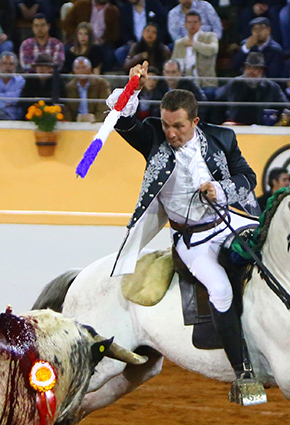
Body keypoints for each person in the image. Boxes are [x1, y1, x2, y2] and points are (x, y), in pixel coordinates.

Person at [108, 61, 261, 403]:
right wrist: (132, 86)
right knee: (220, 289)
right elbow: (120, 118)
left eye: (178, 126)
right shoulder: (152, 139)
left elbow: (248, 178)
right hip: (192, 238)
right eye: (165, 125)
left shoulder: (223, 137)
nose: (170, 133)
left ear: (195, 121)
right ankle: (244, 373)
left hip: (229, 220)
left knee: (269, 250)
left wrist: (220, 191)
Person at [217, 52, 288, 126]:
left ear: (261, 71)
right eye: (249, 67)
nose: (251, 71)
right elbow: (218, 104)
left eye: (255, 68)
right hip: (236, 126)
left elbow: (285, 107)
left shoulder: (272, 87)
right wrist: (223, 123)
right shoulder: (234, 84)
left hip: (263, 128)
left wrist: (277, 122)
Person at [169, 12, 217, 92]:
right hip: (184, 84)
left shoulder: (209, 36)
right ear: (185, 25)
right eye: (189, 22)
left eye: (195, 22)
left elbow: (213, 50)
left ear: (200, 24)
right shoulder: (179, 43)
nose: (192, 25)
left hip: (206, 83)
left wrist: (194, 44)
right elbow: (174, 63)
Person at [116, 0, 168, 68]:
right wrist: (130, 42)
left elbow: (162, 26)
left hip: (154, 43)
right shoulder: (125, 9)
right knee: (120, 52)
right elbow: (124, 31)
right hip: (133, 43)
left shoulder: (154, 5)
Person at [64, 56, 109, 121]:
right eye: (78, 68)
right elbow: (68, 108)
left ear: (90, 68)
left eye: (84, 67)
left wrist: (96, 121)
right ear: (73, 70)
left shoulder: (101, 83)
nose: (81, 71)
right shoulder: (69, 87)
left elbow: (104, 106)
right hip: (76, 121)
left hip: (96, 120)